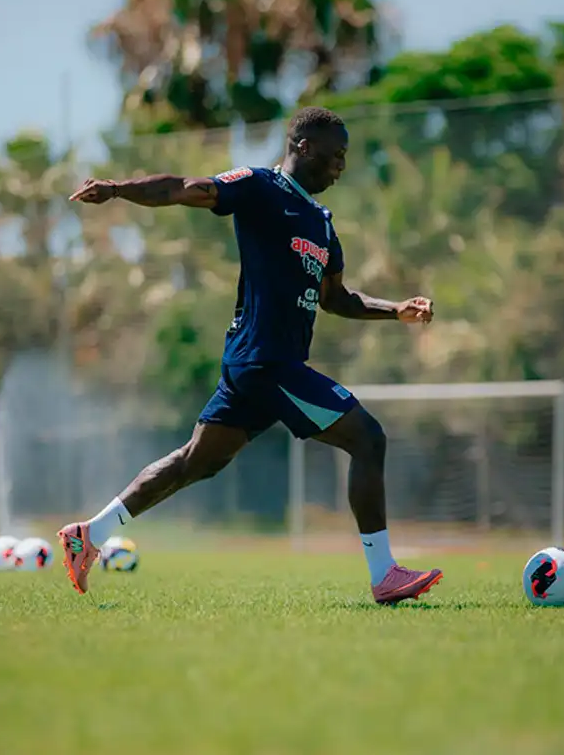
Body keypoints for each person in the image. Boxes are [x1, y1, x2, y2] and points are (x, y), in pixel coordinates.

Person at [60, 106, 443, 604]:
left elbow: (337, 299)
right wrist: (117, 189)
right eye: (335, 154)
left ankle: (88, 534)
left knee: (195, 463)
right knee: (367, 438)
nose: (341, 166)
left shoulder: (323, 226)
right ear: (304, 146)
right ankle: (384, 574)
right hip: (265, 361)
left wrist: (397, 310)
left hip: (263, 367)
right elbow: (183, 188)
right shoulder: (260, 187)